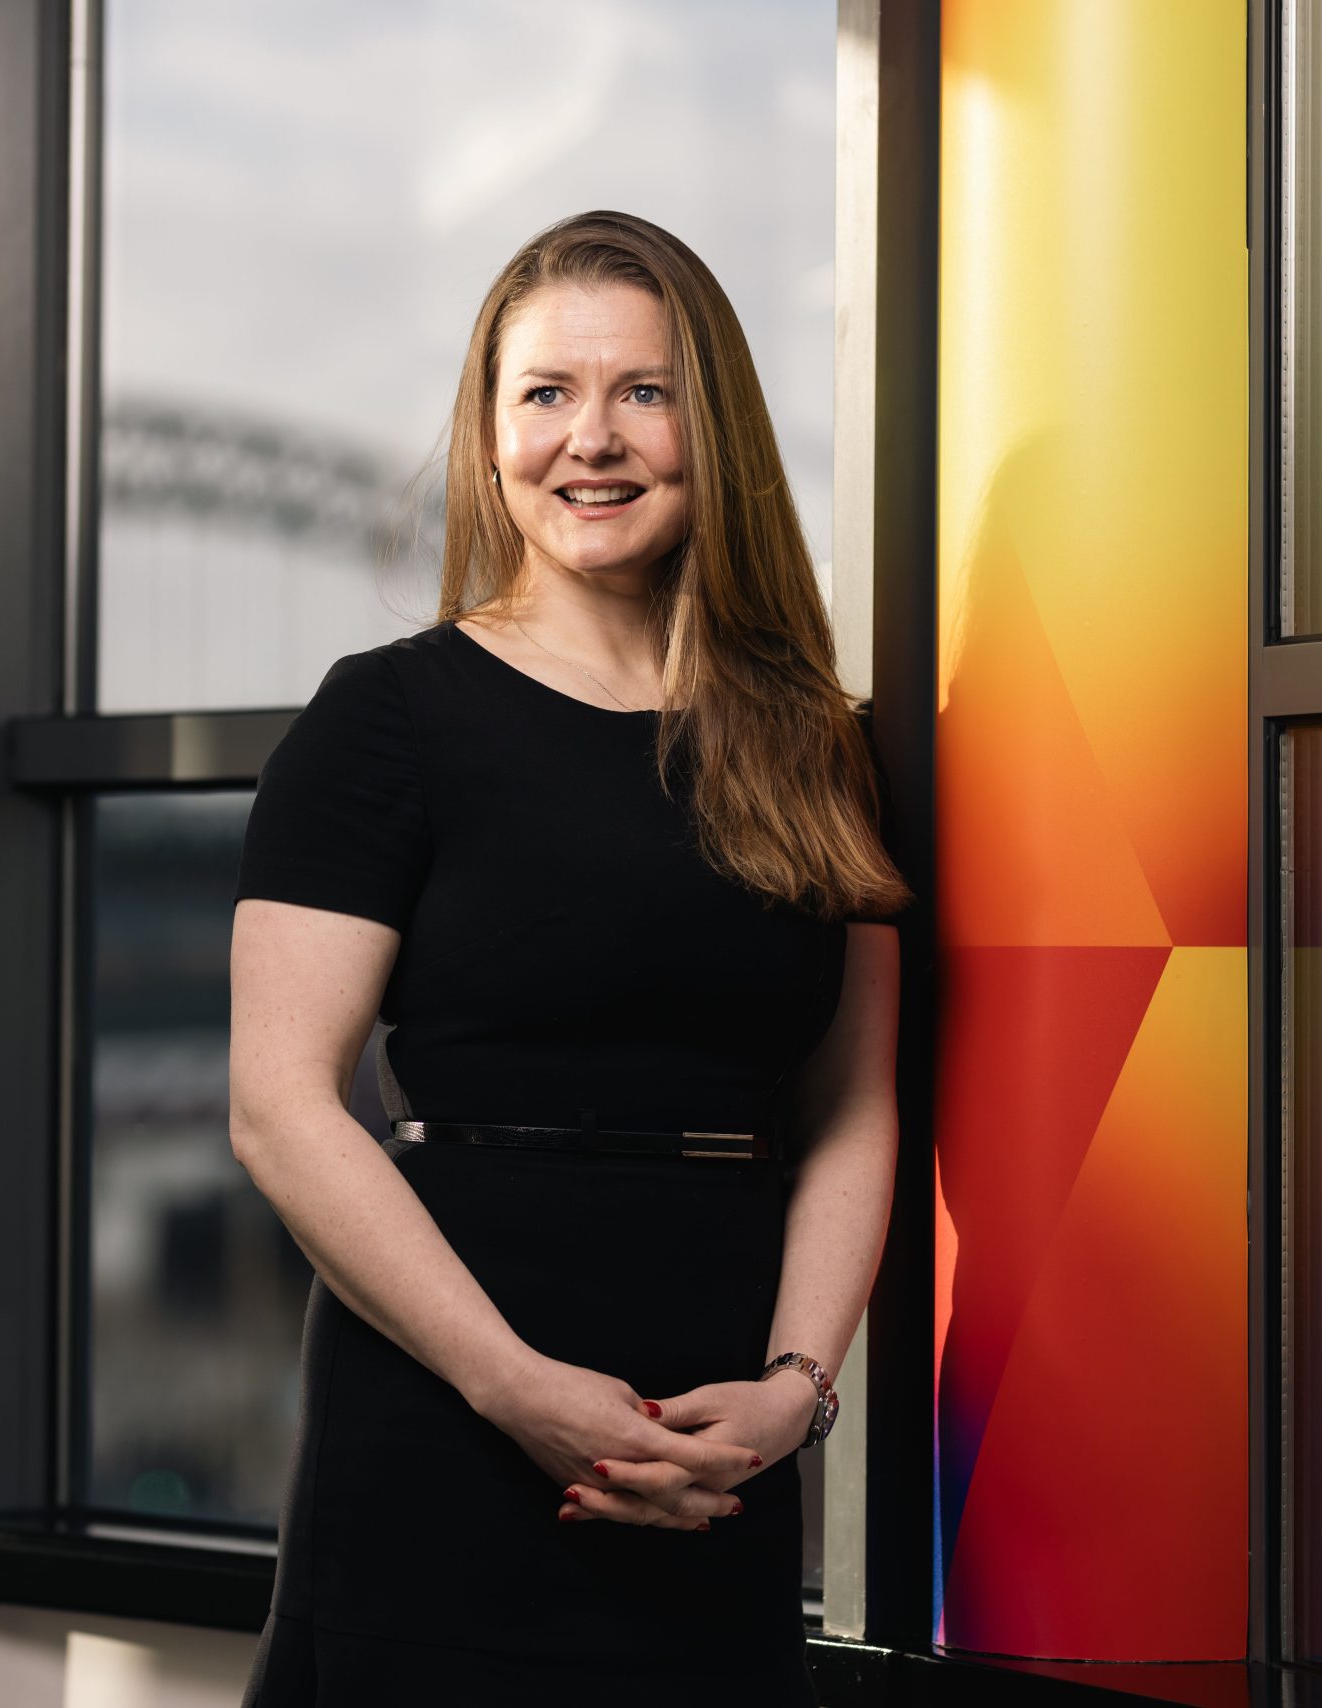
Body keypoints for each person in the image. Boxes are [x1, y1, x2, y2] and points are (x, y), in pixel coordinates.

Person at [227, 208, 906, 1704]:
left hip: (714, 1445)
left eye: (642, 393)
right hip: (447, 1422)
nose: (590, 440)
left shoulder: (813, 744)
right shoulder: (384, 720)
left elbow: (853, 1106)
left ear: (707, 427)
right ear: (488, 437)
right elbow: (280, 1105)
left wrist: (796, 1394)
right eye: (545, 395)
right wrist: (514, 1388)